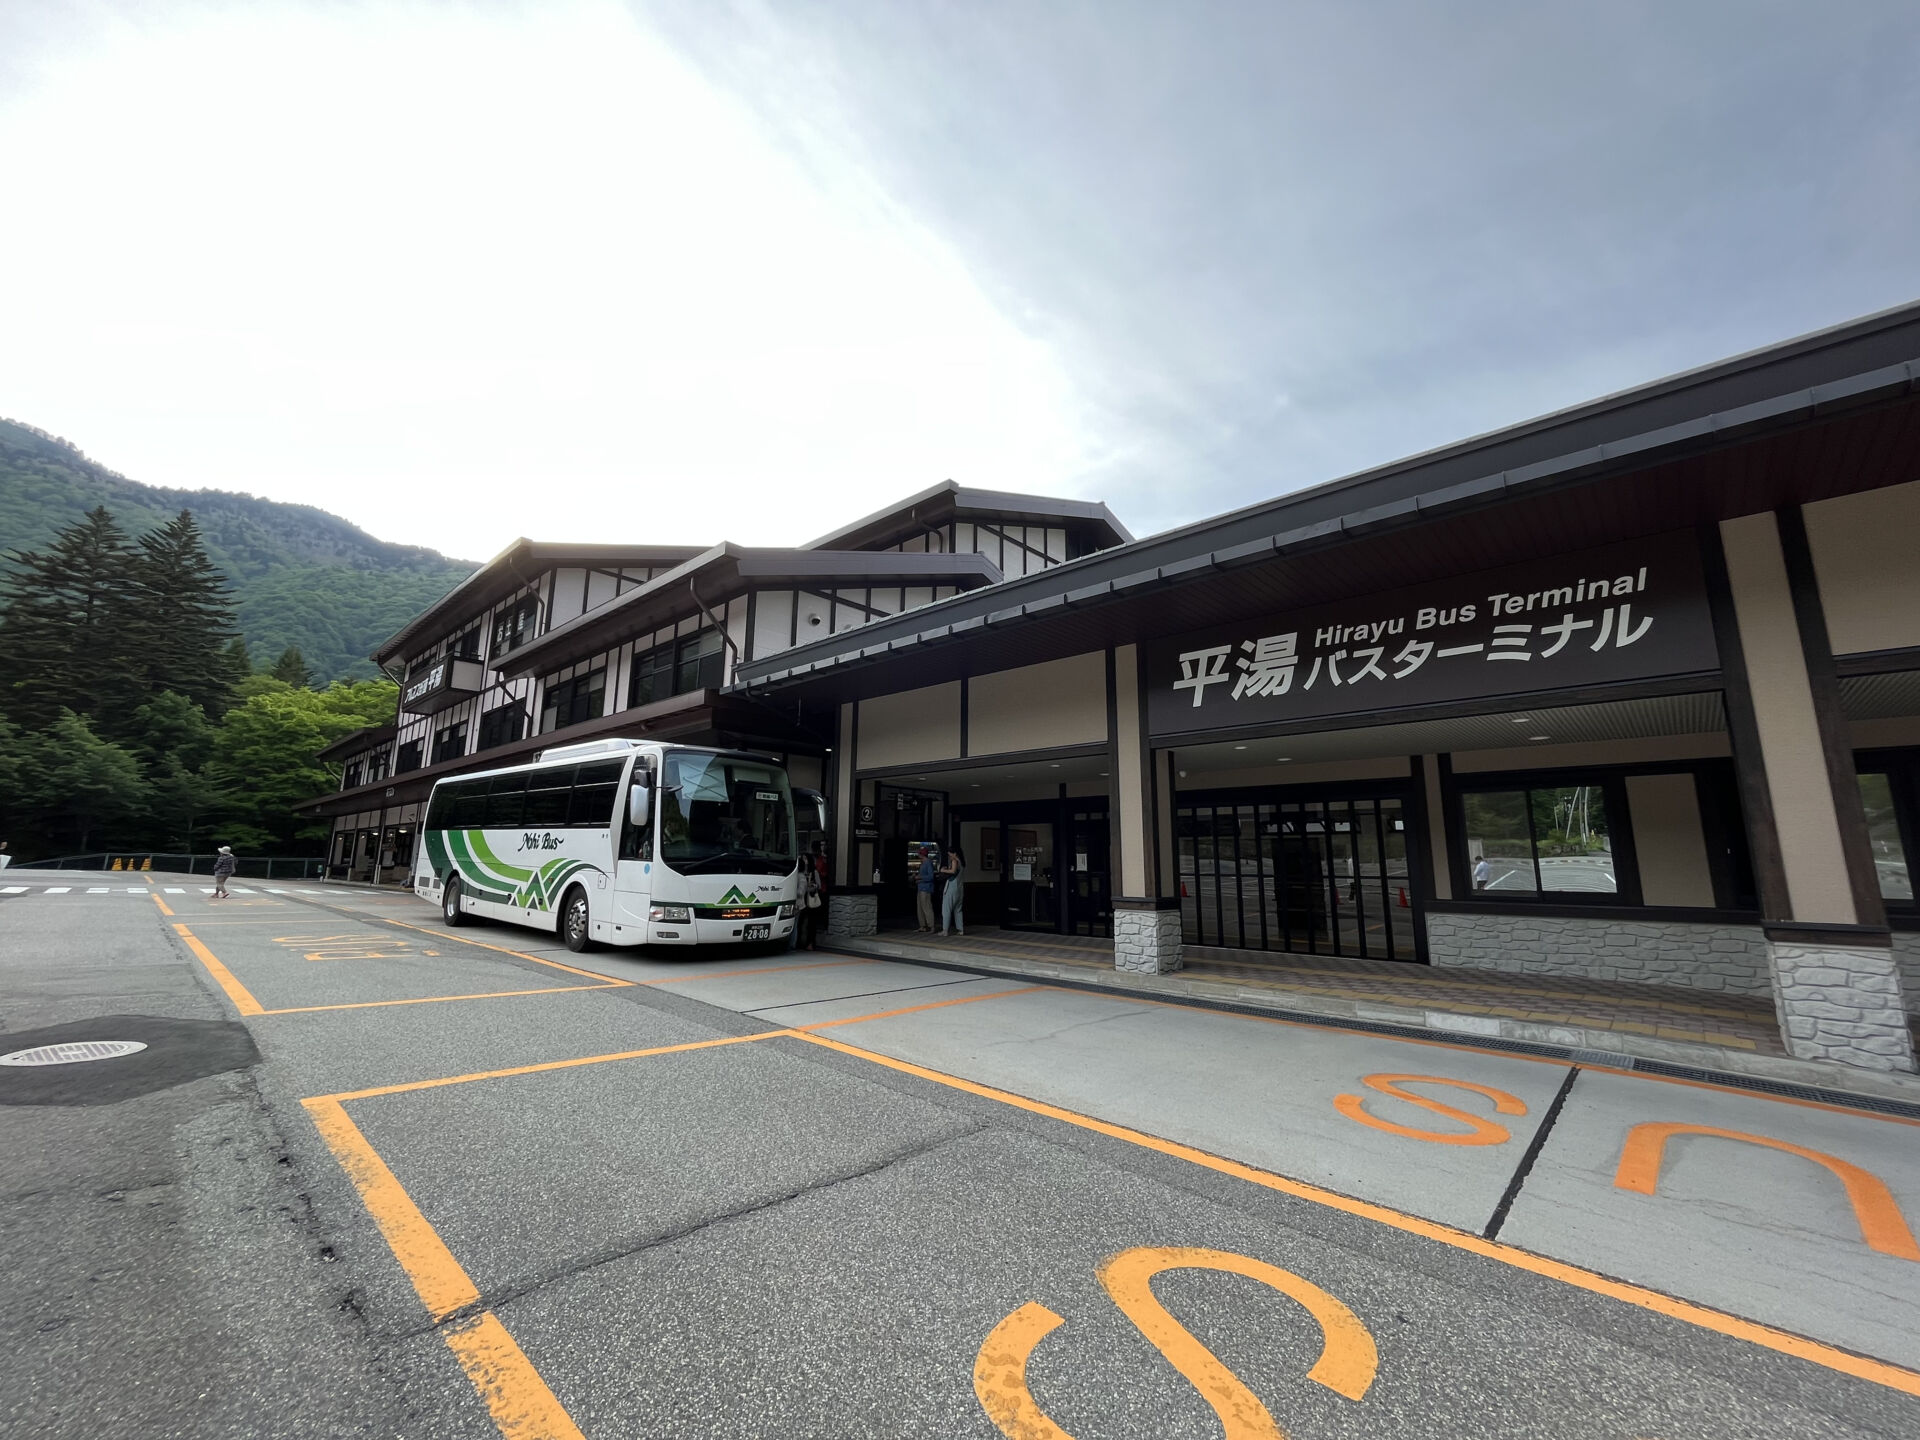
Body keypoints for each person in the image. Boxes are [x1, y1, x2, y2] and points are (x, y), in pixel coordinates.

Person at [938, 844, 966, 937]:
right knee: (958, 910)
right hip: (960, 888)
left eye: (950, 854)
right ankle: (960, 930)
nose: (949, 856)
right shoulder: (961, 862)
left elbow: (953, 871)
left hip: (951, 887)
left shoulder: (954, 860)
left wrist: (943, 870)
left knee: (946, 909)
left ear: (955, 853)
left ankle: (945, 931)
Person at [915, 844, 938, 932]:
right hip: (920, 887)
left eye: (919, 853)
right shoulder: (923, 863)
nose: (918, 854)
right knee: (920, 907)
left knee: (927, 907)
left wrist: (920, 878)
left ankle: (931, 926)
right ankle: (923, 926)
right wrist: (918, 880)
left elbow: (931, 876)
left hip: (926, 889)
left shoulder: (928, 862)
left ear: (922, 854)